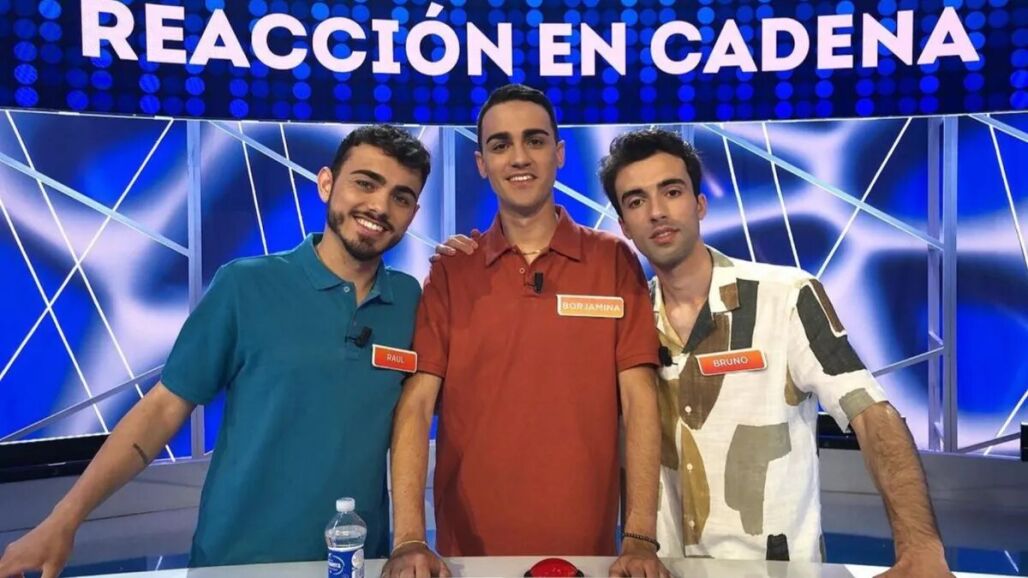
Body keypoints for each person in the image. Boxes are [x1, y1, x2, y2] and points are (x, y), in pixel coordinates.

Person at [436, 127, 953, 575]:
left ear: (700, 204)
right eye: (636, 201)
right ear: (624, 226)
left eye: (672, 191)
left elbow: (872, 415)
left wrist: (920, 547)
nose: (657, 212)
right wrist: (468, 257)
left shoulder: (786, 297)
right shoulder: (621, 317)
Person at [0, 124, 430, 577]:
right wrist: (64, 520)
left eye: (401, 197)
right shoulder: (246, 285)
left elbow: (416, 420)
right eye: (365, 183)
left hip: (354, 562)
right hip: (236, 562)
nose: (380, 207)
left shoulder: (411, 302)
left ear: (414, 213)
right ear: (326, 183)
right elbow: (162, 409)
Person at [383, 85, 670, 578]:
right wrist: (409, 538)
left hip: (591, 555)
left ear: (559, 154)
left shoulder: (612, 260)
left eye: (535, 141)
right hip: (468, 558)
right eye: (501, 145)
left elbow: (640, 400)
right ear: (482, 163)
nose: (519, 157)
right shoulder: (452, 270)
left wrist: (640, 537)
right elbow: (417, 404)